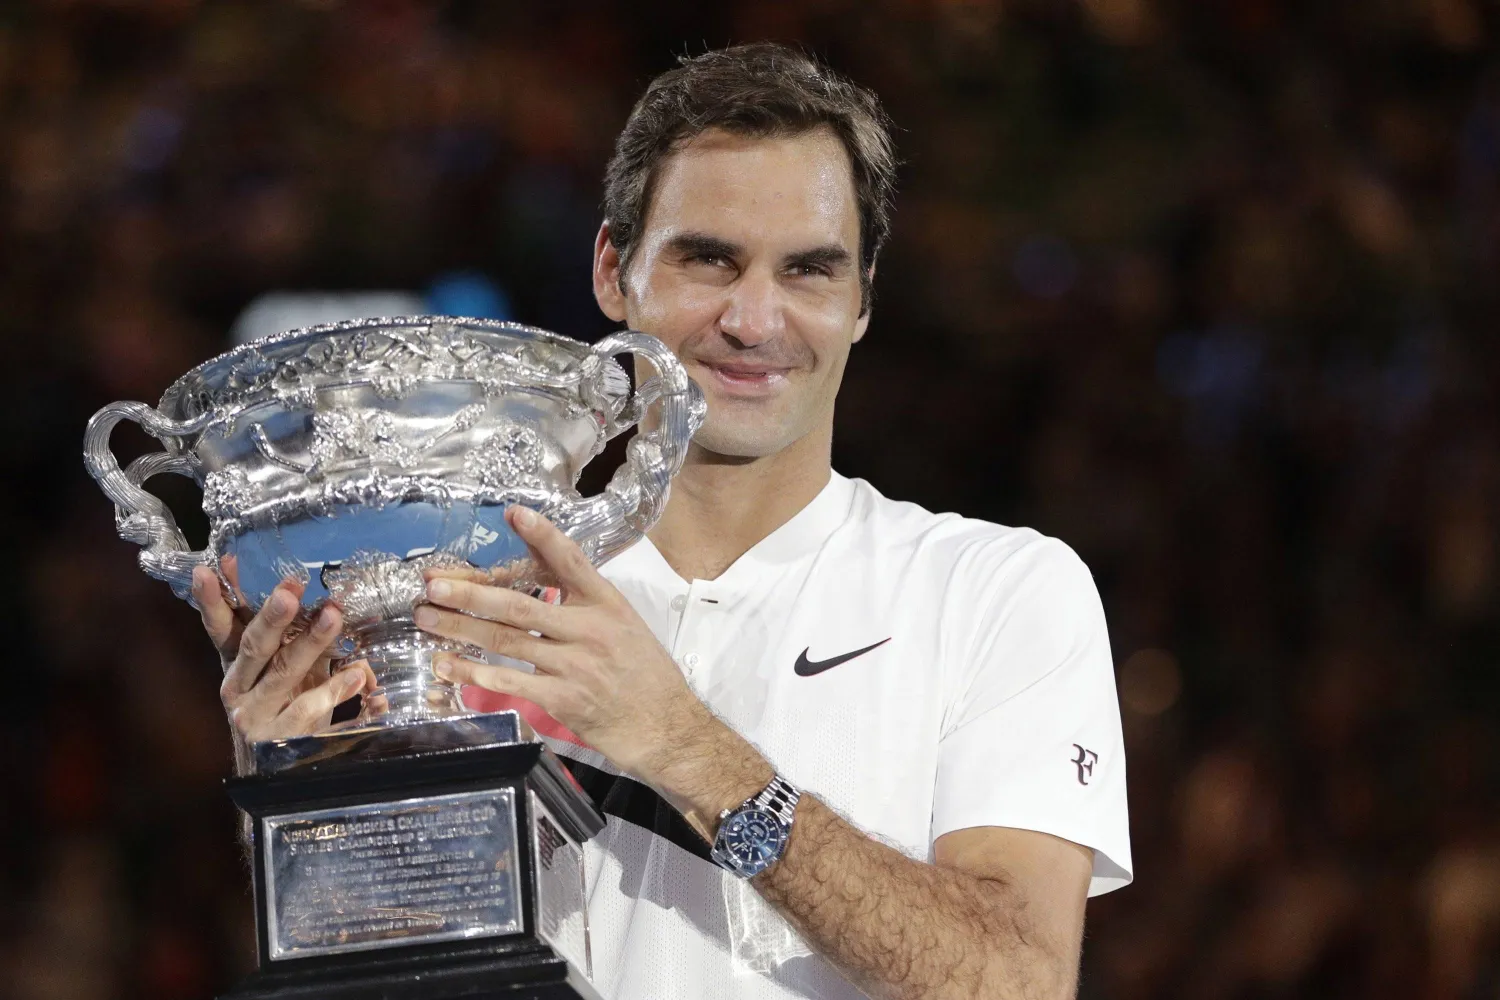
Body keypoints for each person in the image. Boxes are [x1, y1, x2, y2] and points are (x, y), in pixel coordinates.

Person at [198, 43, 1131, 1000]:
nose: (754, 319)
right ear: (614, 271)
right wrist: (297, 793)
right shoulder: (461, 592)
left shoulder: (995, 589)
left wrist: (689, 748)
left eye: (809, 271)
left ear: (861, 301)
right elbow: (376, 960)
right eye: (708, 260)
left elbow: (1019, 980)